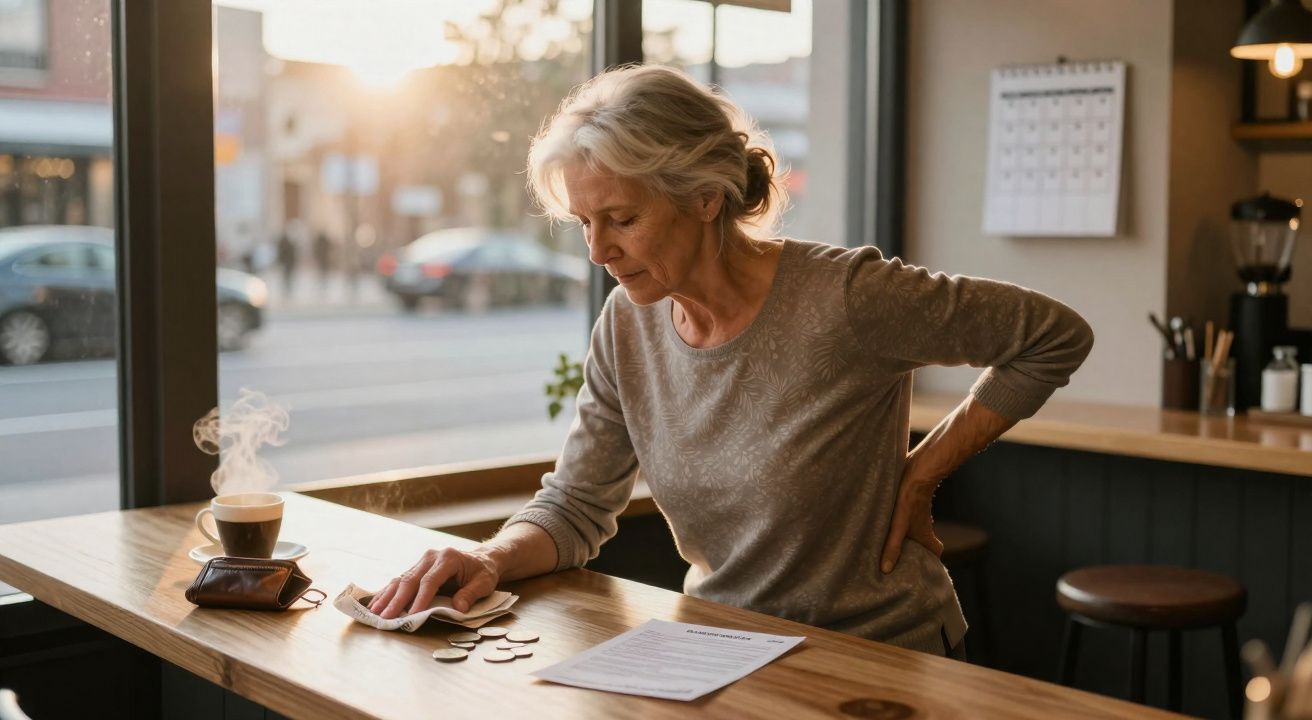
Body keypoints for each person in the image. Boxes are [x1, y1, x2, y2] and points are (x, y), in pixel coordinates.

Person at [368, 66, 1094, 659]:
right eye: (585, 224)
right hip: (723, 656)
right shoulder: (627, 323)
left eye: (622, 218)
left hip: (882, 657)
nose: (598, 251)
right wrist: (492, 558)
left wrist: (923, 471)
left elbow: (1053, 335)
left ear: (705, 196)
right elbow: (577, 505)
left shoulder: (846, 298)